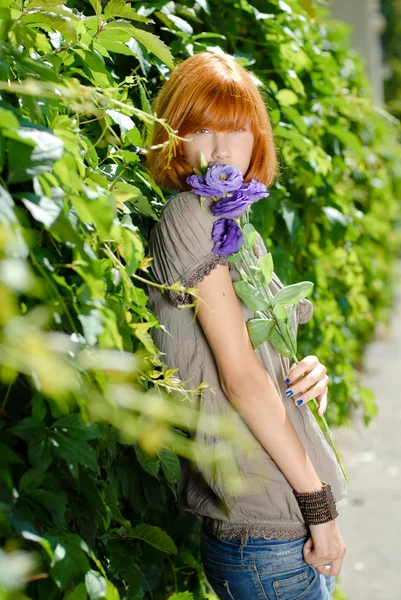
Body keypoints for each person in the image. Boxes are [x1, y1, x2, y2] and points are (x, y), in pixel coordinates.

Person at [144, 50, 348, 599]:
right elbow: (239, 379)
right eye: (200, 129)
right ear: (174, 137)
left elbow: (261, 362)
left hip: (282, 526)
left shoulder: (236, 227)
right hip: (269, 531)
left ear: (257, 138)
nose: (218, 150)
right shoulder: (190, 216)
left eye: (234, 130)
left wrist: (307, 372)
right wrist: (319, 507)